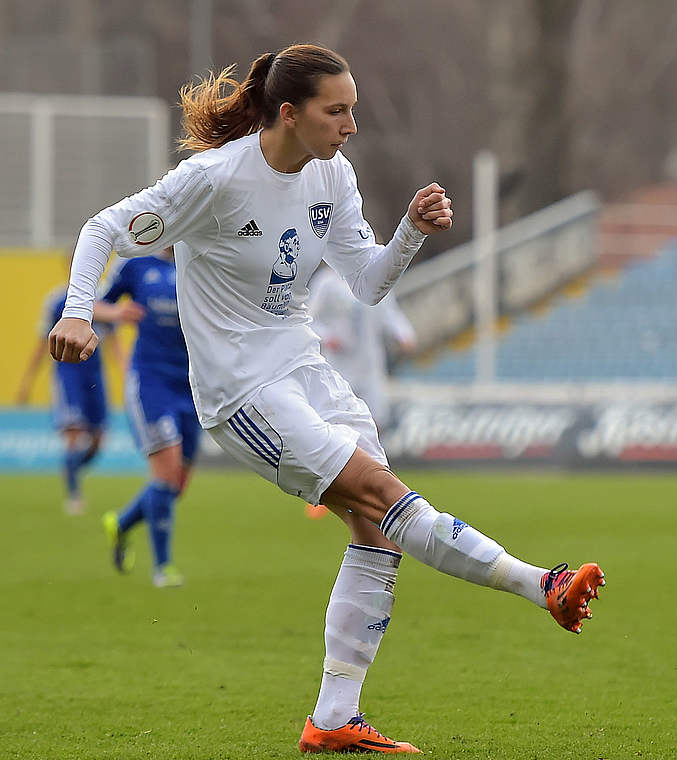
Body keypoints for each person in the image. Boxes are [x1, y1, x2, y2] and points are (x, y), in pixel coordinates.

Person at [49, 44, 604, 755]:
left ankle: (334, 717)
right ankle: (542, 585)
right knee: (382, 495)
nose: (349, 125)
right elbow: (104, 229)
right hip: (242, 390)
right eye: (335, 110)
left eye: (353, 110)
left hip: (305, 371)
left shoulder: (333, 175)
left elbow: (367, 283)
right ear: (290, 113)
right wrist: (77, 309)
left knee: (376, 532)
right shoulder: (215, 180)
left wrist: (409, 232)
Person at [97, 245, 200, 588]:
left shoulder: (201, 261)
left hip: (191, 384)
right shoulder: (135, 265)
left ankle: (122, 522)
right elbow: (95, 305)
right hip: (151, 382)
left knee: (176, 485)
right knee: (167, 473)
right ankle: (163, 567)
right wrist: (118, 314)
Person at [16, 263, 138, 515]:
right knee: (74, 434)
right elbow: (42, 344)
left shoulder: (102, 302)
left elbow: (114, 344)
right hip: (68, 373)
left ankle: (71, 469)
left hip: (94, 375)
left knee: (97, 441)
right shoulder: (57, 301)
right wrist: (27, 381)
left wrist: (128, 374)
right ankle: (74, 495)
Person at [308, 262, 416, 432]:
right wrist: (327, 337)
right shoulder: (327, 282)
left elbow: (390, 313)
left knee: (376, 418)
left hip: (369, 361)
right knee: (339, 417)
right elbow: (308, 318)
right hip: (339, 363)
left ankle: (374, 456)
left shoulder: (377, 281)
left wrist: (404, 335)